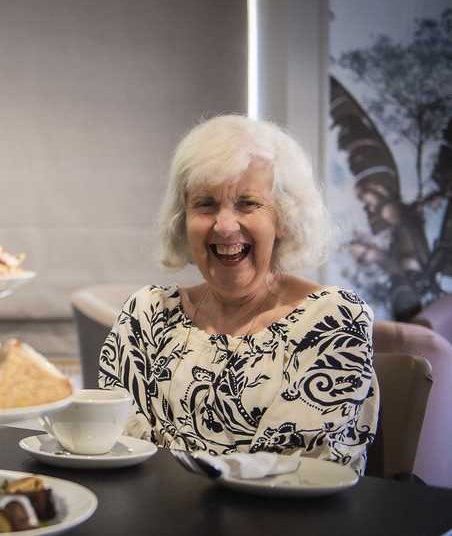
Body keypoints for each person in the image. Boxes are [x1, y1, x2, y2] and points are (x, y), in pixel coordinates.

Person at [98, 115, 378, 473]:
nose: (225, 226)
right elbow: (117, 449)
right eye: (206, 204)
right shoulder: (146, 315)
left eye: (247, 203)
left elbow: (293, 473)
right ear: (183, 218)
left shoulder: (333, 321)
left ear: (284, 218)